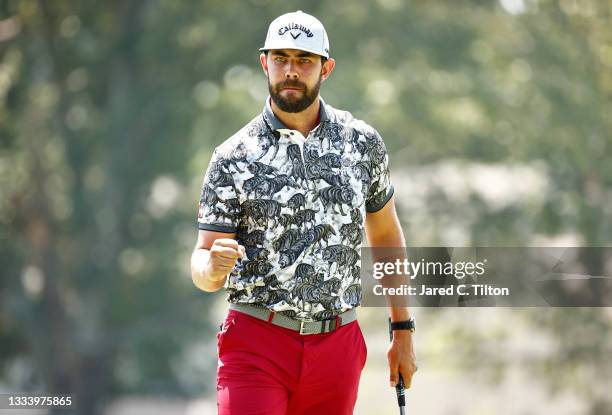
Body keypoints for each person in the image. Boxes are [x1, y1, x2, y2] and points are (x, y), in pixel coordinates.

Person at [191, 10, 417, 415]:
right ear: (265, 63)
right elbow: (202, 258)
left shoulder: (362, 144)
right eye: (281, 58)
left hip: (337, 346)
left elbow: (385, 238)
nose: (290, 71)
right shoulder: (232, 156)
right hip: (256, 342)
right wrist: (212, 268)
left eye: (304, 60)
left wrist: (402, 331)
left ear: (325, 68)